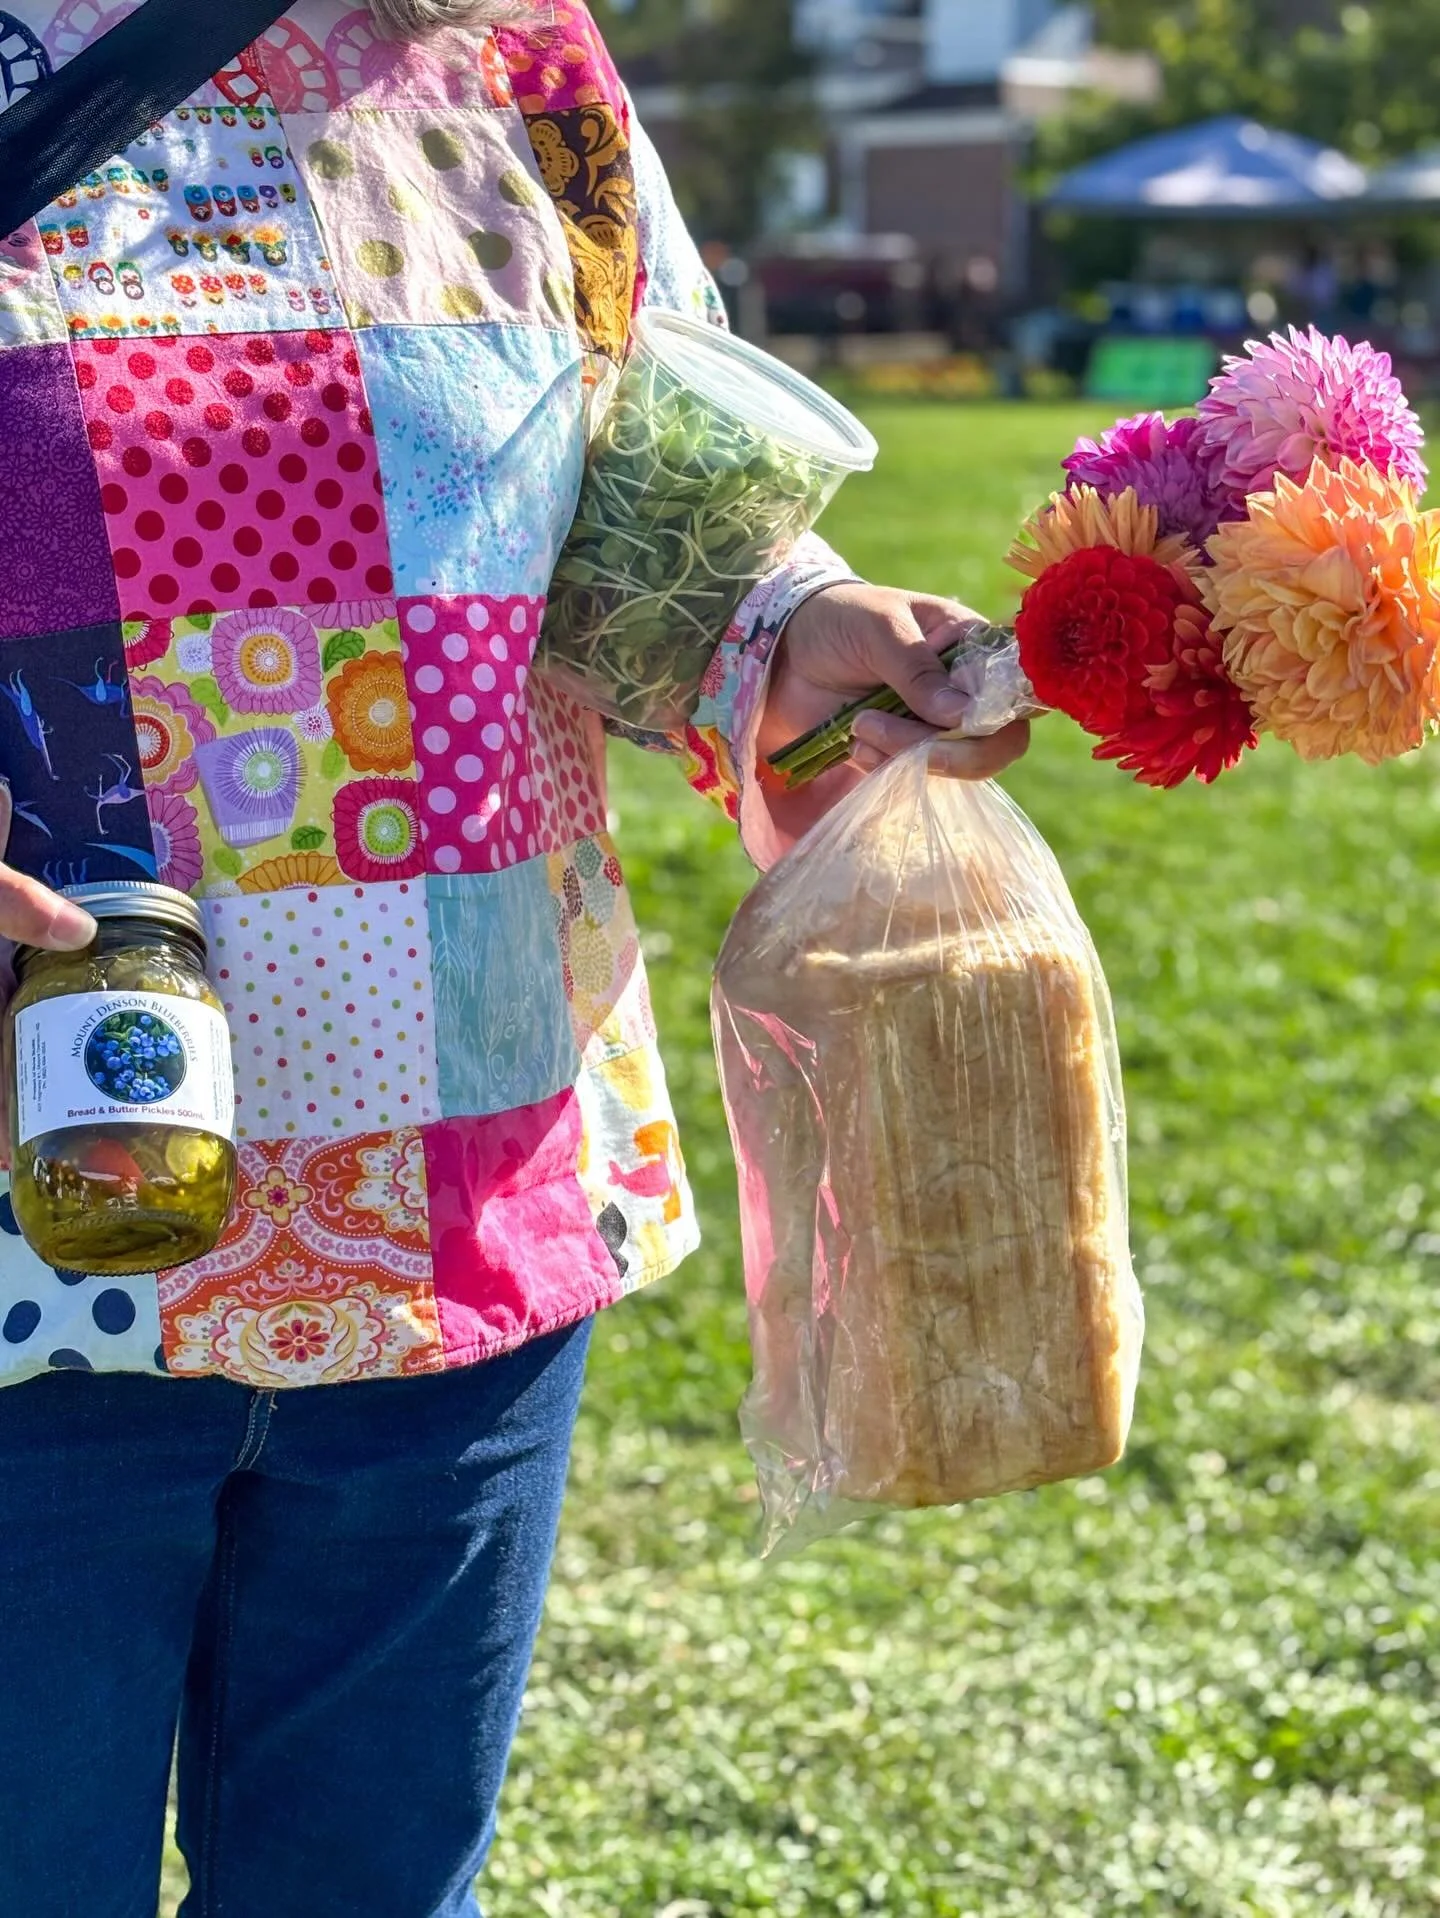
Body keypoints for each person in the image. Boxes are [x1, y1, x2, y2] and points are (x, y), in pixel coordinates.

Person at [0, 2, 1030, 1913]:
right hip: (30, 1242)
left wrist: (794, 631)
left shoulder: (509, 49)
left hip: (449, 1212)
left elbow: (645, 522)